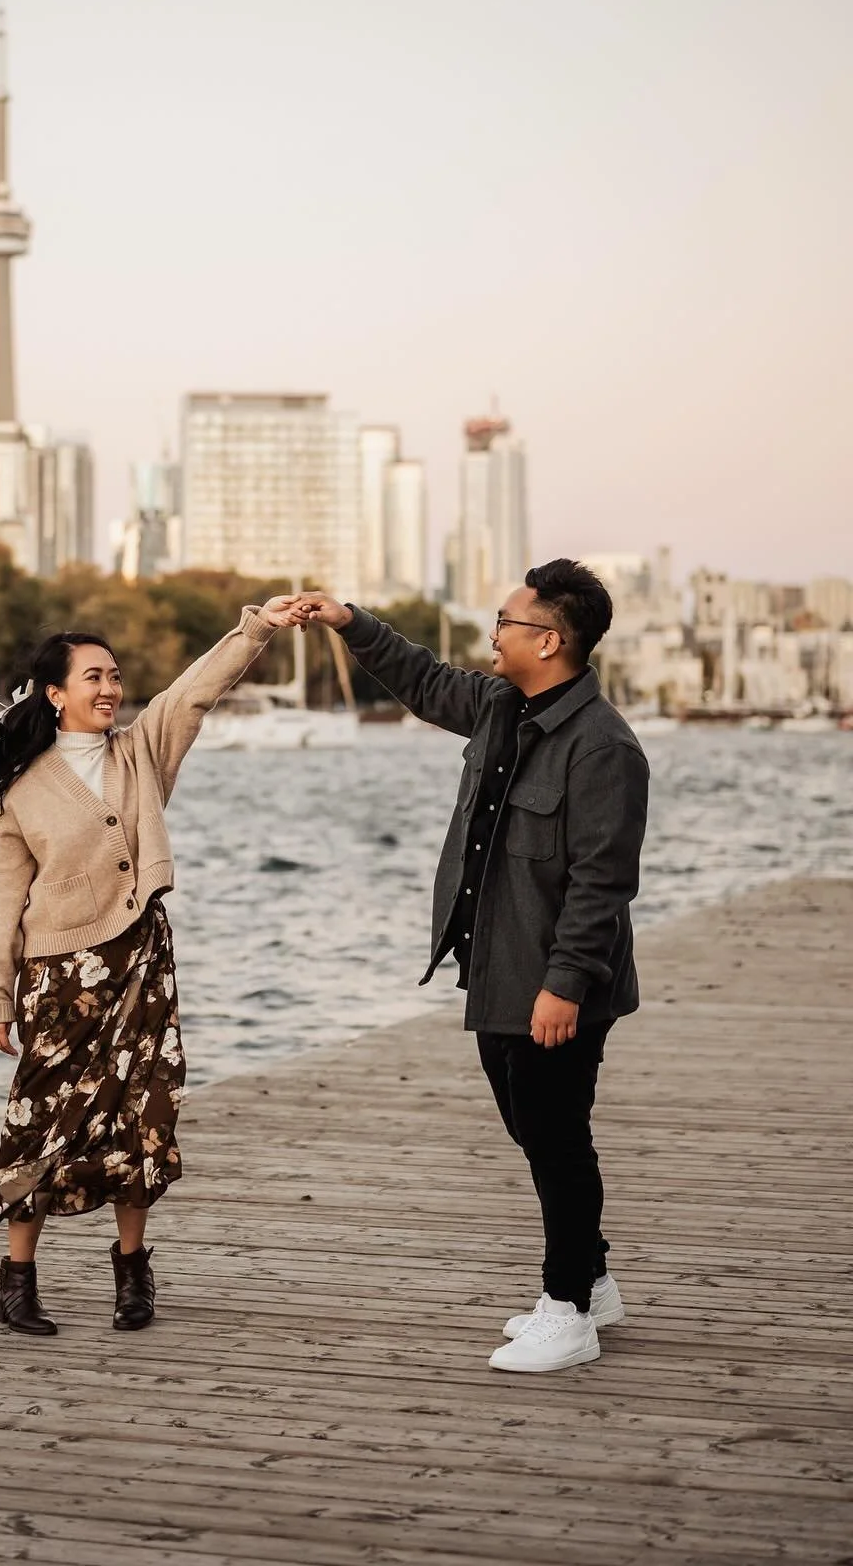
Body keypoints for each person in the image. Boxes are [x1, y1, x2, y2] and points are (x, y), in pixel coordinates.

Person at [297, 560, 648, 1373]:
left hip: (556, 983)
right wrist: (349, 621)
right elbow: (422, 680)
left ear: (550, 641)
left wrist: (564, 985)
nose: (493, 634)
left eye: (506, 622)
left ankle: (568, 1310)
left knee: (557, 1139)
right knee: (532, 1128)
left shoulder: (604, 747)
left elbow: (602, 881)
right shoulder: (498, 705)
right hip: (496, 967)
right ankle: (592, 1281)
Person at [0, 595, 303, 1337]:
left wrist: (258, 627)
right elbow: (2, 901)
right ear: (55, 693)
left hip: (141, 962)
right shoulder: (23, 787)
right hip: (59, 979)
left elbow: (195, 690)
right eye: (93, 677)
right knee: (38, 1121)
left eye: (115, 675)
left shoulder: (141, 753)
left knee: (144, 1115)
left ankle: (133, 1274)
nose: (110, 688)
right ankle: (17, 1280)